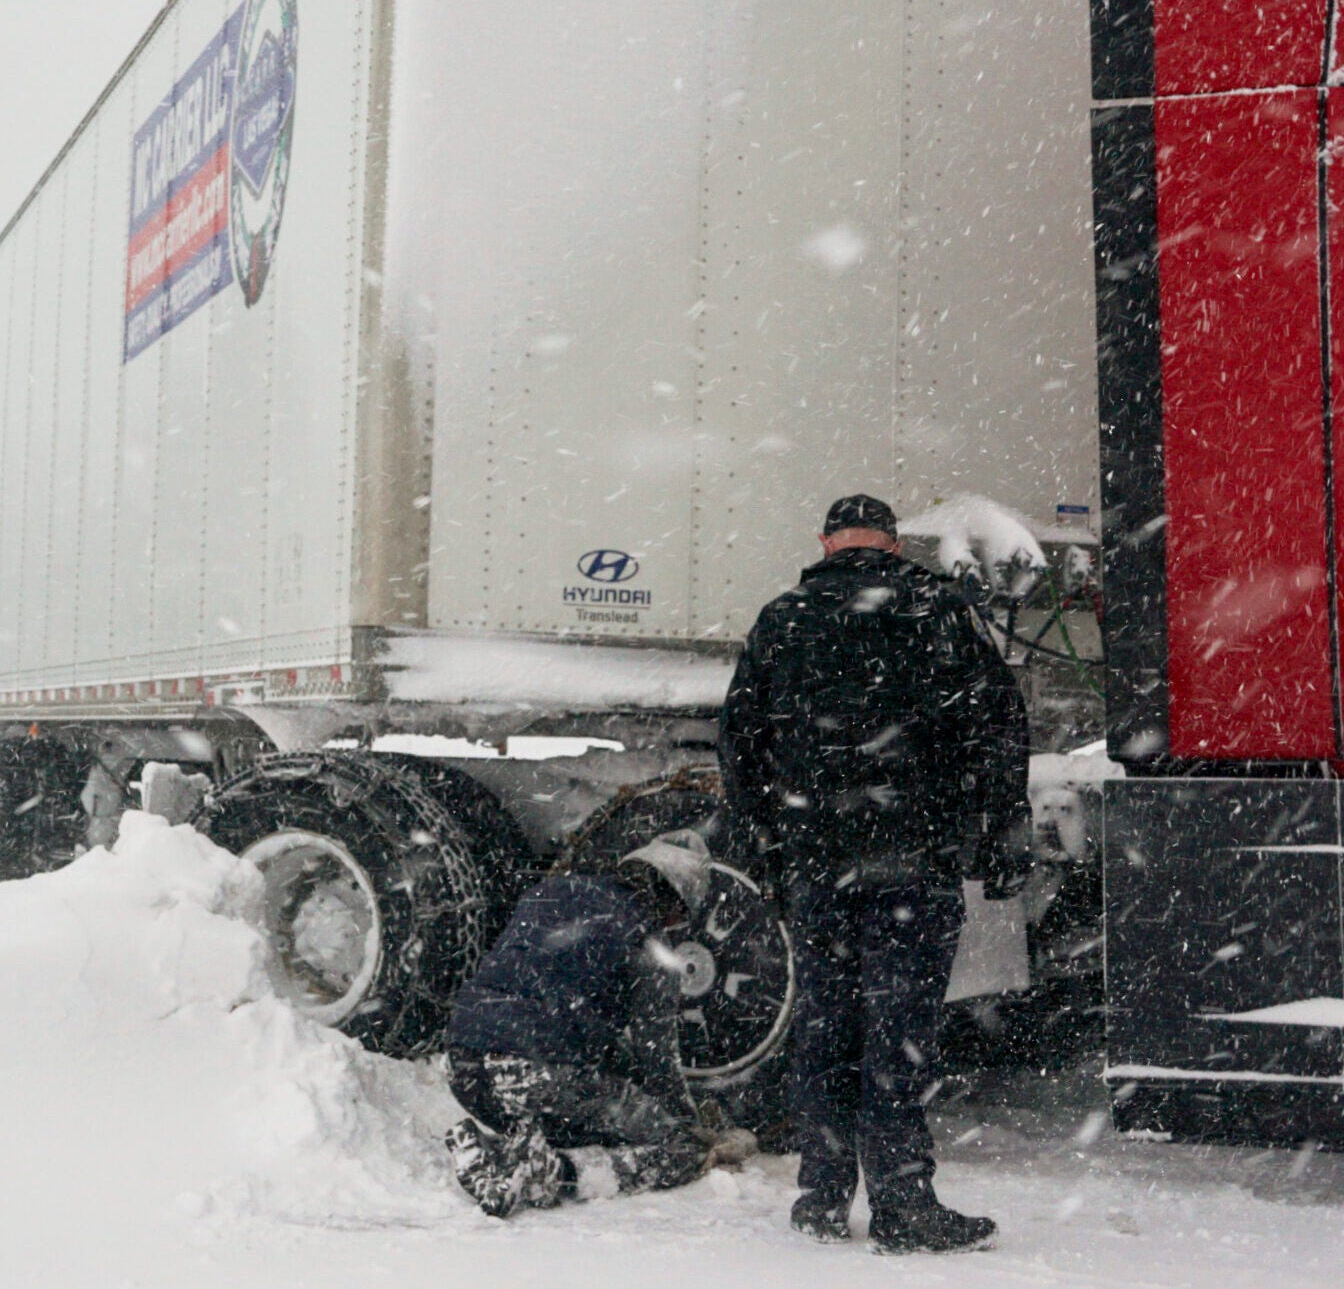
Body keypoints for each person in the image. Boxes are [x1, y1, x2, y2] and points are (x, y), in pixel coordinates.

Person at [719, 493, 1028, 1254]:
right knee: (899, 1032)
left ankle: (821, 1195)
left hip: (820, 867)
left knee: (825, 1023)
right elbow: (996, 725)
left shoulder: (782, 619)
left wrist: (765, 841)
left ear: (826, 543)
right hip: (911, 861)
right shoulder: (938, 611)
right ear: (892, 545)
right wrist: (998, 832)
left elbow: (740, 741)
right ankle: (902, 1202)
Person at [441, 830, 759, 1217]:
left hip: (465, 1068)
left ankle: (495, 1152)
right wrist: (684, 1124)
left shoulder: (552, 891)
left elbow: (544, 991)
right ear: (672, 900)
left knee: (586, 1121)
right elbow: (656, 1056)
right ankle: (555, 1174)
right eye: (680, 917)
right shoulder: (651, 946)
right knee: (677, 1150)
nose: (675, 927)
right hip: (537, 1073)